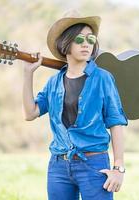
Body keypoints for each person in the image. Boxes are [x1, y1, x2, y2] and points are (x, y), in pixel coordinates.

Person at [22, 10, 128, 200]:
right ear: (65, 43)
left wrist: (118, 168)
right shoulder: (53, 83)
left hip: (95, 165)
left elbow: (115, 122)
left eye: (91, 39)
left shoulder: (103, 79)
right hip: (58, 167)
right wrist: (28, 73)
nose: (86, 44)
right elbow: (30, 113)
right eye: (79, 39)